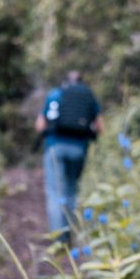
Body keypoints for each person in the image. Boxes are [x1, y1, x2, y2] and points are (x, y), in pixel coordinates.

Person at [36, 70, 103, 241]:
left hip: (55, 148)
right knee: (71, 191)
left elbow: (40, 125)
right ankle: (69, 233)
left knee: (55, 192)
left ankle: (59, 239)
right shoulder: (88, 96)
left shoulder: (55, 94)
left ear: (65, 81)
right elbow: (99, 127)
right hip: (79, 150)